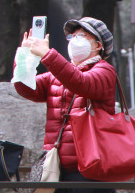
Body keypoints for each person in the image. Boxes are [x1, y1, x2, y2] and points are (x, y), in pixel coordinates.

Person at [14, 16, 117, 193]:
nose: (75, 40)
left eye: (83, 35)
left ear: (99, 45)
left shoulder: (104, 70)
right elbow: (26, 88)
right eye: (72, 36)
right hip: (57, 167)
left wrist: (48, 55)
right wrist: (25, 57)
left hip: (90, 169)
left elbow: (81, 83)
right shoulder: (58, 74)